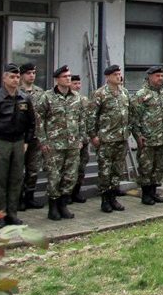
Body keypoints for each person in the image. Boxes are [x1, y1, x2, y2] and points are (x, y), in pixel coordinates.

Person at [0, 63, 36, 228]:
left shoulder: (24, 98)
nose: (15, 80)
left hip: (18, 142)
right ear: (4, 78)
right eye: (12, 77)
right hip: (1, 142)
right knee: (0, 180)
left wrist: (26, 141)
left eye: (17, 77)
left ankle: (12, 214)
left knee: (16, 179)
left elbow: (31, 123)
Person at [35, 65, 86, 221]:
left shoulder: (76, 97)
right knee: (54, 176)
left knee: (70, 176)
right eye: (65, 76)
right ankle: (53, 208)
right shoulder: (47, 97)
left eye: (69, 76)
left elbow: (81, 119)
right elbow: (39, 120)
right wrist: (43, 140)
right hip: (54, 144)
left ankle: (63, 205)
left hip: (72, 144)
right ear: (57, 79)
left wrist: (81, 139)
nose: (68, 78)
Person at [130, 66, 163, 205]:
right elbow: (134, 118)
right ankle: (146, 194)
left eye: (161, 76)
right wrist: (138, 135)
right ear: (149, 77)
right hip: (148, 139)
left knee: (159, 168)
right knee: (146, 168)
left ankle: (154, 192)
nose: (160, 78)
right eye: (157, 76)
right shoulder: (141, 95)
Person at [89, 64, 130, 213]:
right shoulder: (100, 94)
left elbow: (129, 113)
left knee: (117, 170)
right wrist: (93, 136)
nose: (119, 77)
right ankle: (105, 200)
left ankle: (113, 198)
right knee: (105, 171)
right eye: (115, 75)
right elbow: (91, 116)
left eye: (119, 74)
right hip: (106, 139)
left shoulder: (124, 92)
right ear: (108, 77)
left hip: (121, 138)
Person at [17, 62, 45, 211]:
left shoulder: (40, 92)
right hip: (20, 137)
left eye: (34, 73)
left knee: (33, 169)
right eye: (29, 73)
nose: (32, 76)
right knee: (19, 169)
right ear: (22, 75)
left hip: (36, 136)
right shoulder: (16, 91)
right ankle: (18, 198)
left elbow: (44, 114)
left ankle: (29, 197)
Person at [69, 75, 89, 204]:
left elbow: (88, 119)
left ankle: (76, 192)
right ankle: (66, 194)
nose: (77, 86)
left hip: (83, 139)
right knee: (69, 168)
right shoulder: (66, 100)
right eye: (74, 83)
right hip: (70, 140)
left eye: (79, 83)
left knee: (81, 167)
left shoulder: (84, 100)